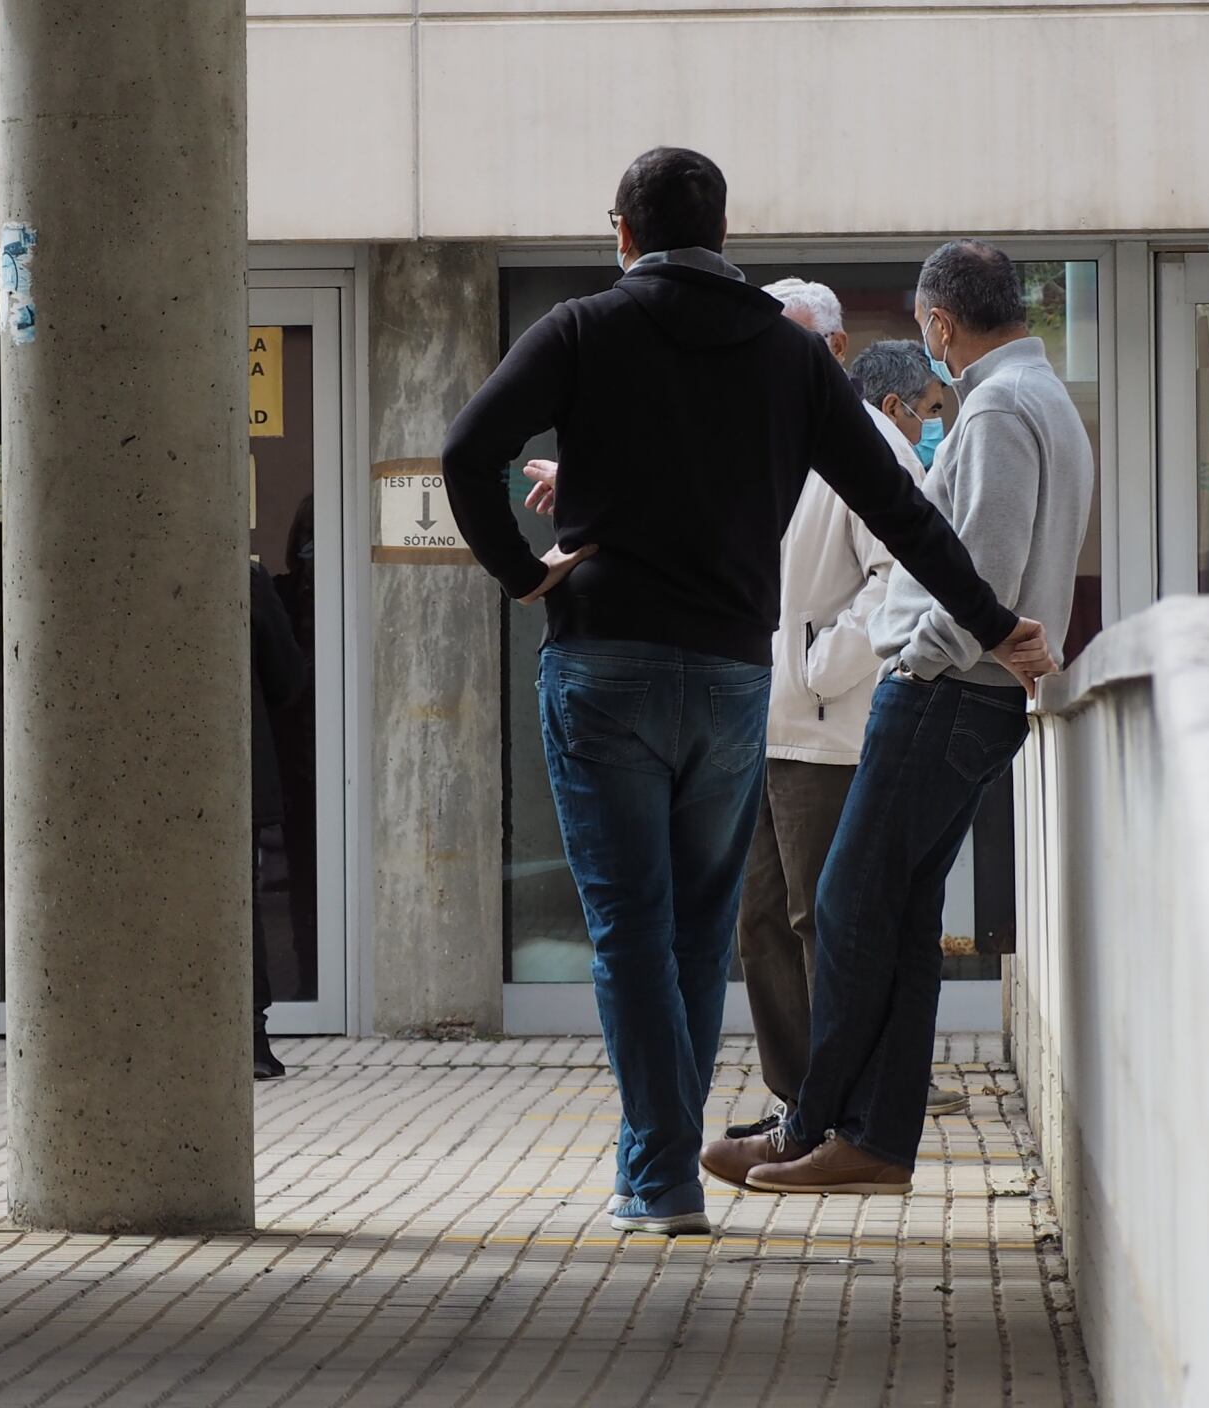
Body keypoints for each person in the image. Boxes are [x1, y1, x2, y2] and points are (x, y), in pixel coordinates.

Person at [441, 150, 1050, 1238]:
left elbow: (465, 449)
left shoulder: (585, 327)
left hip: (605, 661)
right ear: (724, 232)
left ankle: (662, 1174)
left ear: (622, 230)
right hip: (729, 677)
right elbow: (907, 517)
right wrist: (997, 621)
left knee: (630, 925)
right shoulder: (787, 354)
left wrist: (524, 572)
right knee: (697, 926)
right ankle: (666, 1162)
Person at [710, 242, 1093, 1198]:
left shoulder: (1001, 407)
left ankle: (832, 1129)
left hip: (948, 693)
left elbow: (986, 574)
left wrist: (909, 666)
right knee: (891, 914)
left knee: (847, 908)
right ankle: (858, 1134)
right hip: (967, 695)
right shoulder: (1036, 396)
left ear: (937, 323)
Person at [729, 332, 951, 1136]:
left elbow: (906, 574)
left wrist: (821, 666)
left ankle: (843, 1107)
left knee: (823, 923)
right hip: (760, 723)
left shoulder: (867, 452)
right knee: (759, 924)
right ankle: (799, 1102)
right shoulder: (777, 442)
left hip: (828, 730)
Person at [247, 557, 309, 1080]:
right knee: (236, 906)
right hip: (227, 773)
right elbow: (287, 677)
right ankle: (249, 1041)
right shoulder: (243, 578)